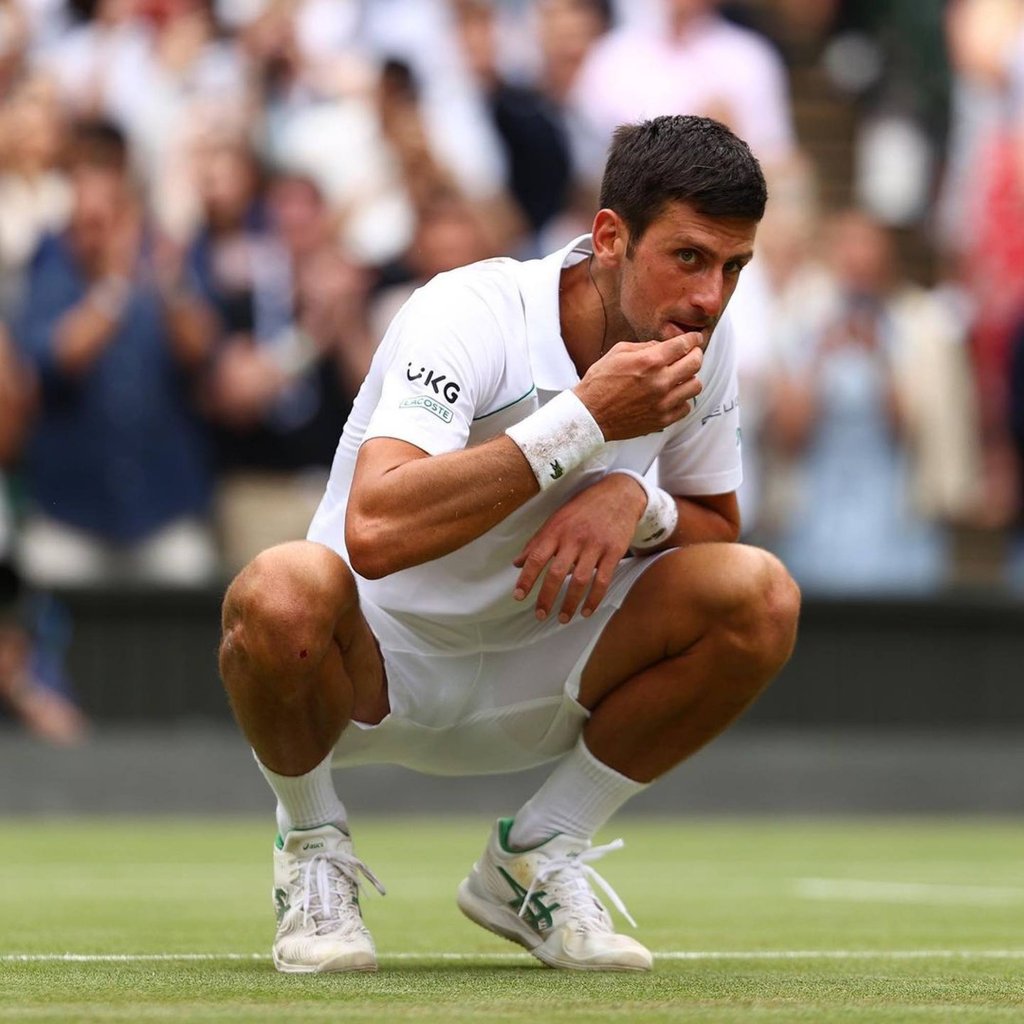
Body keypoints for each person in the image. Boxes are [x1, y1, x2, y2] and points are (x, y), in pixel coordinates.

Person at [218, 114, 801, 974]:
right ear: (609, 237)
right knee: (279, 589)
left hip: (548, 669)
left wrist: (634, 501)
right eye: (688, 257)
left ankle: (535, 855)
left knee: (761, 596)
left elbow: (716, 519)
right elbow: (373, 530)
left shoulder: (700, 345)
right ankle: (309, 847)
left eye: (733, 268)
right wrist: (585, 425)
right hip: (371, 674)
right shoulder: (467, 310)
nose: (710, 297)